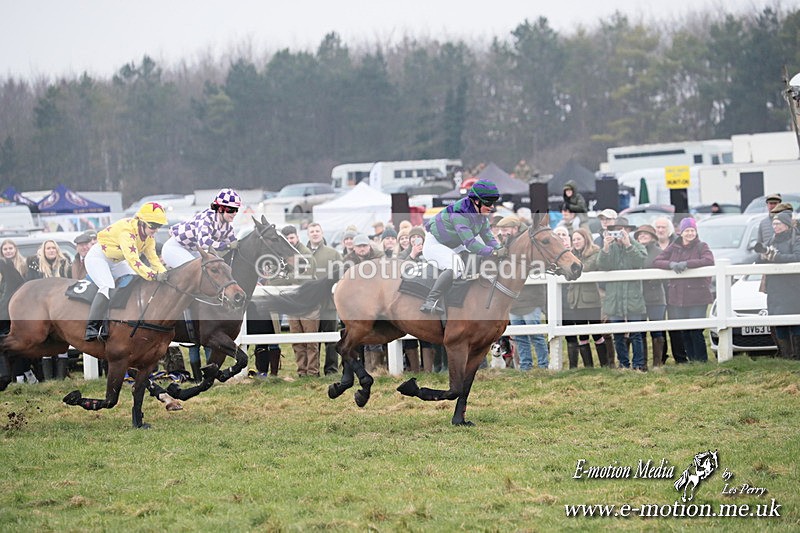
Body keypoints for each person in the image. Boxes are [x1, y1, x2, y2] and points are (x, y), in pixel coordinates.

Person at [160, 188, 241, 379]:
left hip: (192, 251)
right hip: (175, 248)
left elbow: (234, 244)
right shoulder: (207, 219)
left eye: (236, 210)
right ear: (220, 208)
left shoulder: (226, 225)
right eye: (231, 210)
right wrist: (228, 245)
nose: (234, 214)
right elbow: (207, 247)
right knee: (198, 275)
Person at [83, 201, 168, 342]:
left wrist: (165, 273)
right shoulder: (127, 233)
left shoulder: (149, 238)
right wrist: (153, 275)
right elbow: (134, 261)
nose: (156, 229)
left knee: (134, 280)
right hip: (98, 257)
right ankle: (92, 327)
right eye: (153, 225)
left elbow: (153, 259)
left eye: (159, 226)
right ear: (142, 222)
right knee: (107, 286)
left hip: (116, 260)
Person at [420, 179, 504, 314]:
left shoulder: (481, 216)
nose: (492, 207)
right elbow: (470, 243)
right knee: (456, 266)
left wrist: (500, 249)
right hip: (435, 243)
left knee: (474, 260)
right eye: (488, 203)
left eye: (493, 203)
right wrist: (493, 252)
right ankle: (430, 300)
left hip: (454, 244)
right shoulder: (460, 214)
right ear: (476, 201)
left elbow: (489, 238)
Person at [652, 217, 715, 362]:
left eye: (692, 230)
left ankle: (701, 360)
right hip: (678, 296)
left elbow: (708, 260)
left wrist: (687, 264)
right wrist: (671, 264)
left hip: (698, 295)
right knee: (684, 330)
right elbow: (657, 261)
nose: (690, 233)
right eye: (687, 230)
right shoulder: (674, 246)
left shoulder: (702, 246)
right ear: (681, 232)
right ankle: (691, 360)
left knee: (696, 330)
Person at [497, 215, 549, 370]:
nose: (502, 233)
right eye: (501, 230)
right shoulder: (505, 245)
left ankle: (543, 365)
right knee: (519, 336)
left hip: (531, 299)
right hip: (513, 301)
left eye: (505, 230)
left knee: (536, 334)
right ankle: (525, 365)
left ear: (515, 228)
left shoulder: (529, 242)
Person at [597, 217, 648, 370]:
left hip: (633, 296)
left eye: (623, 229)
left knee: (636, 333)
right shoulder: (610, 247)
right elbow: (602, 265)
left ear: (629, 230)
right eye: (616, 230)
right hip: (615, 297)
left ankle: (638, 364)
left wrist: (628, 245)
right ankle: (623, 364)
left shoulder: (636, 245)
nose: (620, 232)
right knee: (617, 334)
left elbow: (640, 261)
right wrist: (605, 248)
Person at [24, 239, 73, 382]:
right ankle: (48, 380)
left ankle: (60, 380)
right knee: (46, 342)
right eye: (48, 248)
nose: (51, 250)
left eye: (53, 248)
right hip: (43, 310)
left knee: (62, 342)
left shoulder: (65, 266)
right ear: (43, 251)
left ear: (57, 250)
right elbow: (31, 288)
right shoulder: (37, 268)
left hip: (62, 310)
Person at [757, 211, 800, 358]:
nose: (775, 226)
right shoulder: (771, 240)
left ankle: (797, 355)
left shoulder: (797, 239)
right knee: (778, 321)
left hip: (793, 288)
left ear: (786, 225)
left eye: (778, 223)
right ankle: (785, 355)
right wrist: (763, 255)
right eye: (773, 224)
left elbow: (797, 257)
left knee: (795, 321)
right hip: (775, 288)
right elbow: (757, 260)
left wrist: (776, 256)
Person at [279, 225, 320, 377]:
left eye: (291, 237)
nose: (289, 241)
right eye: (286, 239)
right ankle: (302, 370)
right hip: (292, 302)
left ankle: (313, 371)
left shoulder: (305, 254)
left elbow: (304, 276)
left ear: (297, 237)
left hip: (308, 302)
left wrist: (285, 277)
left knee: (311, 339)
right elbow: (275, 278)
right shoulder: (284, 255)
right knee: (296, 338)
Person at [343, 234, 386, 372]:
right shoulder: (347, 260)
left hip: (377, 302)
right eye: (359, 246)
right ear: (354, 248)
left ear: (369, 246)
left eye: (364, 246)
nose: (362, 249)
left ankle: (377, 369)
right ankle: (366, 368)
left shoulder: (379, 257)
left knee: (376, 335)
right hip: (356, 303)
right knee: (361, 336)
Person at [565, 227, 608, 368]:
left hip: (591, 300)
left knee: (597, 333)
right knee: (582, 334)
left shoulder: (594, 252)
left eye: (579, 239)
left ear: (586, 239)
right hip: (575, 300)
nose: (576, 242)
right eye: (574, 239)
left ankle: (605, 364)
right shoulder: (570, 254)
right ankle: (588, 366)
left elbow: (586, 267)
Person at [306, 222, 343, 376]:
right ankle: (311, 370)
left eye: (317, 231)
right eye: (312, 231)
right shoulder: (301, 254)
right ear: (308, 234)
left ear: (321, 233)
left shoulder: (333, 254)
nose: (315, 233)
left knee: (331, 339)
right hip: (309, 305)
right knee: (311, 340)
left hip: (329, 304)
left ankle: (331, 370)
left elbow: (341, 275)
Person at [653, 216, 687, 364]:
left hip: (675, 287)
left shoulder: (678, 243)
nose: (660, 230)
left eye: (663, 227)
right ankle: (661, 357)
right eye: (658, 227)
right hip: (656, 289)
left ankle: (680, 357)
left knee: (676, 322)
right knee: (659, 323)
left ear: (670, 229)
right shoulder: (651, 244)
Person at [634, 224, 667, 368]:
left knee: (657, 331)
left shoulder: (659, 252)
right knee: (640, 332)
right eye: (640, 234)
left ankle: (657, 364)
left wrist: (653, 279)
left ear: (653, 237)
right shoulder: (633, 251)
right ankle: (642, 364)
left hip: (656, 297)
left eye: (645, 234)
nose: (642, 236)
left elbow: (665, 273)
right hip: (638, 298)